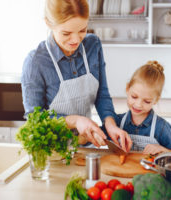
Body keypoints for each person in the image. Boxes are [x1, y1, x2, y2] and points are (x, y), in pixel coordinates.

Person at [21, 0, 132, 151]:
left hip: (85, 146)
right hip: (52, 152)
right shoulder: (36, 62)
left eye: (82, 30)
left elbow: (102, 95)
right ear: (48, 23)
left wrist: (110, 124)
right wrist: (75, 121)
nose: (75, 40)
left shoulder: (93, 45)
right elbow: (34, 119)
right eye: (66, 33)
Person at [113, 61, 171, 155]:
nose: (138, 104)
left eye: (147, 101)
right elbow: (95, 137)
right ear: (127, 89)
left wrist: (162, 149)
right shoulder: (116, 121)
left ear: (156, 100)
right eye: (134, 96)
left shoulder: (161, 127)